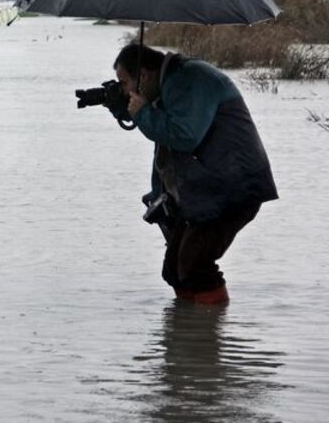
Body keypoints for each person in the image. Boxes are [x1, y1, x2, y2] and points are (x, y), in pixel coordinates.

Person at [114, 44, 277, 304]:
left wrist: (143, 112)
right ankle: (187, 335)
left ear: (144, 76)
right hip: (207, 188)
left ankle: (209, 335)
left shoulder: (189, 80)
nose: (123, 89)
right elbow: (168, 126)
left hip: (233, 188)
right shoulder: (172, 82)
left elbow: (185, 135)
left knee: (193, 264)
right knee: (175, 271)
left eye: (123, 83)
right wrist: (125, 109)